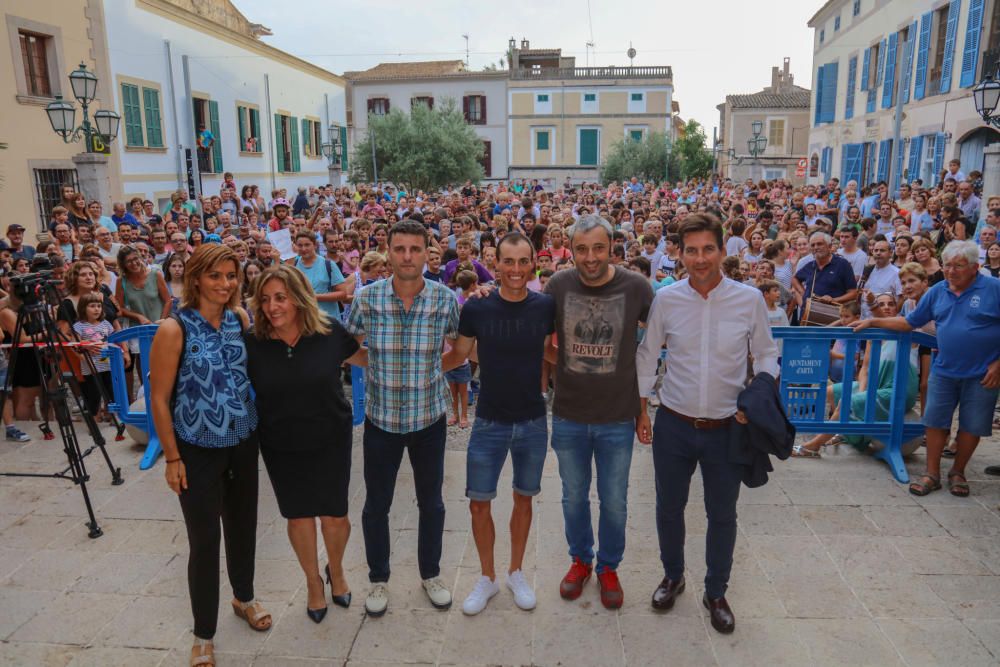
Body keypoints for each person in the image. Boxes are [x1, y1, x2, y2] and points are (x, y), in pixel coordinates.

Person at [635, 213, 779, 634]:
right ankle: (673, 575)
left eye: (708, 249)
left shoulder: (749, 299)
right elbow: (648, 354)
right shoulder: (668, 298)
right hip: (674, 424)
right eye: (691, 250)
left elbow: (767, 355)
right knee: (668, 507)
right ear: (679, 253)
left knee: (722, 514)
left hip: (727, 427)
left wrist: (757, 398)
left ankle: (716, 590)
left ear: (722, 250)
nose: (700, 259)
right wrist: (641, 409)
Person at [148, 244, 271, 667]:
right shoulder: (173, 328)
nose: (225, 284)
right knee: (205, 539)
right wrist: (171, 457)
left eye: (231, 275)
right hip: (196, 448)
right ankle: (203, 632)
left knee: (243, 526)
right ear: (196, 278)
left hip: (241, 441)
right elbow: (160, 399)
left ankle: (244, 597)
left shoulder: (239, 319)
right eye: (216, 275)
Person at [344, 220, 460, 618]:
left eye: (415, 249)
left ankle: (431, 573)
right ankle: (379, 578)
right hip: (382, 421)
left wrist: (432, 370)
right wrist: (372, 365)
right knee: (377, 503)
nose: (408, 257)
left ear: (428, 252)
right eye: (400, 249)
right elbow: (348, 346)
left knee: (433, 502)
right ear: (388, 251)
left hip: (429, 418)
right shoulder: (366, 299)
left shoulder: (444, 299)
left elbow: (460, 352)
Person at [440, 232, 555, 615]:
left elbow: (555, 352)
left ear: (533, 263)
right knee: (478, 503)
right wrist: (417, 374)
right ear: (497, 263)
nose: (517, 269)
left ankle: (516, 571)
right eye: (509, 261)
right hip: (488, 419)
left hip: (532, 420)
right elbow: (458, 354)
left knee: (524, 499)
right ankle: (487, 577)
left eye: (524, 261)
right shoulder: (477, 308)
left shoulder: (545, 306)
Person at [246, 265, 366, 623]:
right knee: (298, 515)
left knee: (335, 514)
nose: (272, 306)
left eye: (280, 297)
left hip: (330, 435)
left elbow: (367, 358)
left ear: (298, 298)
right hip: (280, 441)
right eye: (265, 299)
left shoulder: (329, 333)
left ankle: (337, 570)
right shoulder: (252, 343)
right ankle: (313, 582)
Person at [543, 214, 653, 610]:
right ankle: (580, 560)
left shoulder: (637, 287)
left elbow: (656, 342)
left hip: (618, 416)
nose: (590, 258)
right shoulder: (558, 285)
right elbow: (535, 331)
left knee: (614, 500)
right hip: (570, 414)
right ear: (571, 249)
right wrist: (559, 361)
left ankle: (608, 566)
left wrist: (643, 409)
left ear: (612, 247)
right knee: (573, 497)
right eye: (582, 249)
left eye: (598, 248)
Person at [852, 240, 1000, 497]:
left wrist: (998, 364)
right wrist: (874, 320)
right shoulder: (938, 291)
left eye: (959, 266)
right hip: (944, 370)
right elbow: (911, 322)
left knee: (973, 425)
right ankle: (932, 473)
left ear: (976, 267)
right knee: (934, 422)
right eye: (947, 265)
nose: (951, 271)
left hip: (983, 373)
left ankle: (958, 471)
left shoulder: (994, 289)